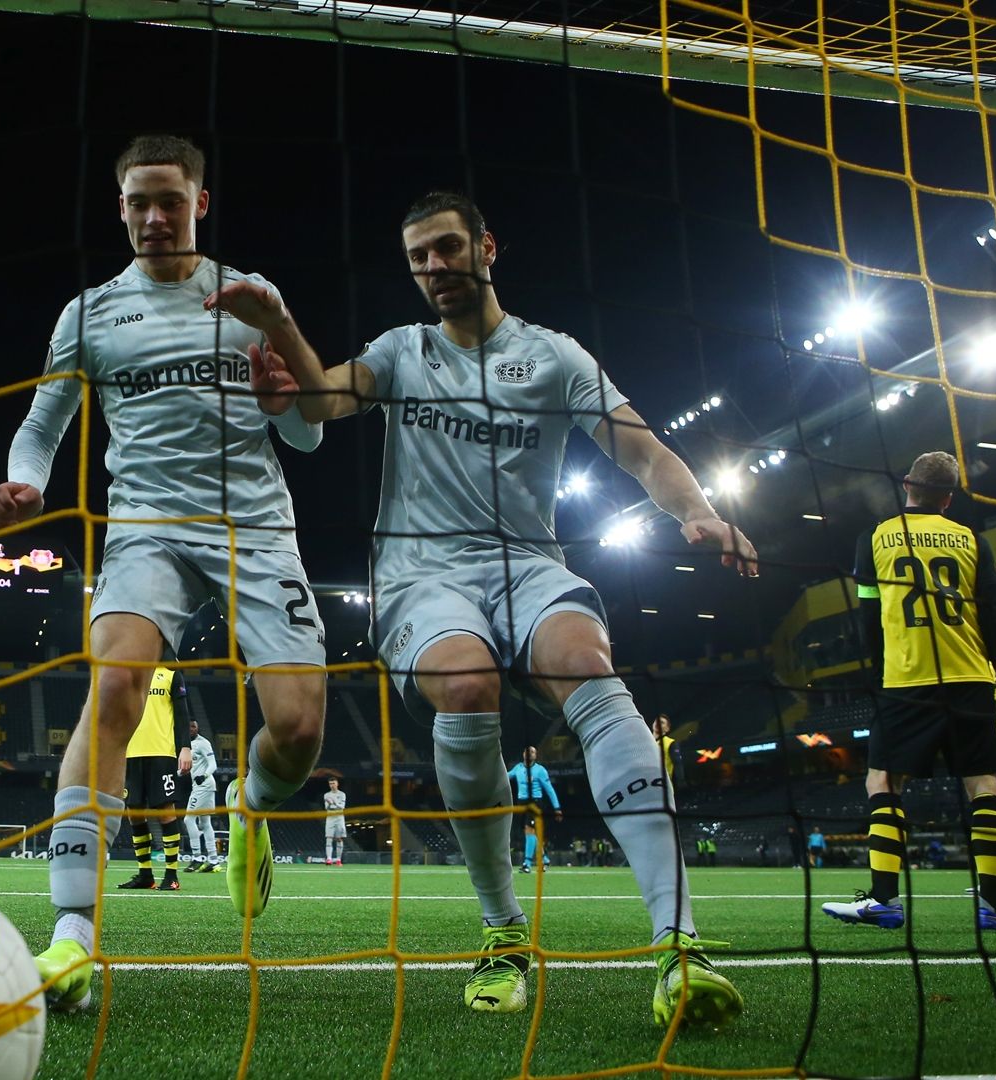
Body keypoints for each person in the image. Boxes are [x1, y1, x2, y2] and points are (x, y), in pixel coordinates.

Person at [234, 191, 756, 1024]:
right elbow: (324, 401)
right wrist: (282, 331)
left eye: (447, 248)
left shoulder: (554, 356)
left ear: (487, 247)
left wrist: (696, 510)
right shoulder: (402, 351)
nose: (434, 267)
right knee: (466, 682)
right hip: (422, 574)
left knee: (589, 666)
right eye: (418, 257)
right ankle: (503, 933)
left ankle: (678, 946)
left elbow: (642, 450)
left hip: (530, 566)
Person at [0, 135, 329, 1010]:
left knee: (298, 729)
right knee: (114, 688)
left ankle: (250, 804)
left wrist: (281, 402)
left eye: (169, 200)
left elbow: (309, 434)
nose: (153, 217)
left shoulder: (250, 297)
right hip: (146, 527)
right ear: (121, 207)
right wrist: (27, 482)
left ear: (200, 203)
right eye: (137, 202)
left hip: (255, 527)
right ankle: (71, 939)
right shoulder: (91, 313)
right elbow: (43, 424)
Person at [823, 451, 996, 931]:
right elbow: (995, 618)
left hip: (906, 680)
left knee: (883, 783)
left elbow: (869, 617)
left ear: (907, 484)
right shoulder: (973, 540)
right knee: (984, 786)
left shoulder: (874, 537)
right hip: (971, 678)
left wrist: (877, 675)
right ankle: (991, 907)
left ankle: (885, 901)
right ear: (948, 498)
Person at [118, 666, 192, 892]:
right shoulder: (130, 673)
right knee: (134, 813)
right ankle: (145, 875)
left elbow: (182, 714)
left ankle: (171, 875)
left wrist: (185, 747)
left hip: (161, 752)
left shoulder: (170, 674)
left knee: (166, 811)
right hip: (131, 752)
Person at [509, 747, 561, 873]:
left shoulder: (540, 770)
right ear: (523, 754)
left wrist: (557, 807)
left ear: (535, 756)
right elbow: (505, 777)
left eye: (532, 752)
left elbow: (549, 789)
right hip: (521, 803)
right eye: (527, 751)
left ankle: (527, 863)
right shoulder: (518, 768)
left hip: (535, 803)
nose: (529, 753)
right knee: (530, 833)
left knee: (529, 830)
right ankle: (545, 858)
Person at [185, 719, 220, 872]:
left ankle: (197, 858)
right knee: (205, 823)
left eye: (194, 726)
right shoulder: (185, 745)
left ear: (198, 728)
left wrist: (204, 776)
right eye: (189, 726)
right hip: (201, 786)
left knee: (188, 819)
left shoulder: (203, 743)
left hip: (204, 785)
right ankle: (213, 861)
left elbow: (213, 764)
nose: (192, 729)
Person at [323, 778, 349, 865]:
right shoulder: (327, 795)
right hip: (330, 818)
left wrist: (333, 803)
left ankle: (338, 859)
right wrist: (331, 804)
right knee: (329, 838)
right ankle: (329, 859)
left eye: (333, 783)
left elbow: (342, 806)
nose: (332, 785)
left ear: (337, 784)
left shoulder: (342, 794)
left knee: (339, 839)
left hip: (339, 818)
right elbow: (327, 807)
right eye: (330, 784)